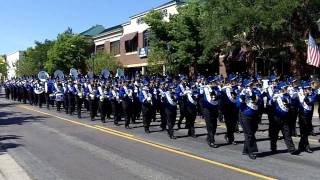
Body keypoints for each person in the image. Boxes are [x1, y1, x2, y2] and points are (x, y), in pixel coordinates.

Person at [237, 79, 263, 159]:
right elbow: (238, 105)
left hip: (254, 115)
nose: (251, 86)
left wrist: (253, 96)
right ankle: (251, 151)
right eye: (249, 85)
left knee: (252, 131)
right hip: (245, 115)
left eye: (251, 85)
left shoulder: (256, 92)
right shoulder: (241, 93)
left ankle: (245, 149)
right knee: (249, 133)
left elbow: (260, 102)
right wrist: (242, 97)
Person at [270, 82, 299, 155]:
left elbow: (288, 105)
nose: (285, 89)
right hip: (276, 118)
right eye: (284, 88)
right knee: (274, 135)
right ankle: (273, 148)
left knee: (287, 134)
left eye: (286, 88)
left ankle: (292, 149)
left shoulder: (287, 96)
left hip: (285, 118)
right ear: (281, 89)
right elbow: (271, 102)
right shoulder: (276, 95)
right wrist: (274, 98)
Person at [202, 76, 220, 148]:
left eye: (215, 81)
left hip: (214, 109)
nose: (215, 83)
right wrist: (207, 88)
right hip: (207, 109)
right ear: (210, 82)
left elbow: (219, 94)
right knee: (210, 126)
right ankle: (212, 141)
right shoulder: (205, 88)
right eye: (214, 82)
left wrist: (215, 91)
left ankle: (209, 137)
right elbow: (201, 94)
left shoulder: (216, 88)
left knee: (215, 126)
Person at [297, 82, 315, 153]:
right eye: (306, 89)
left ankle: (300, 146)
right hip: (302, 116)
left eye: (309, 88)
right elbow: (302, 101)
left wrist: (309, 94)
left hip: (309, 117)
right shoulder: (300, 96)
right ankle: (307, 147)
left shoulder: (311, 95)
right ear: (303, 89)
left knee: (305, 133)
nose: (308, 90)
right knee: (304, 132)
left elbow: (311, 101)